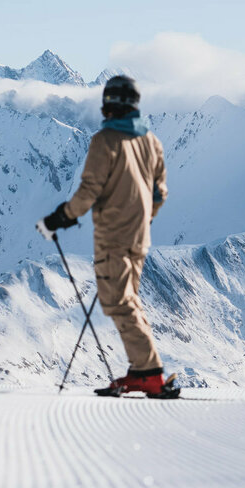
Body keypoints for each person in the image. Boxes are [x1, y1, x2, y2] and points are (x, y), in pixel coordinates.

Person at [40, 75, 175, 397]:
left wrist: (61, 217)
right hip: (139, 236)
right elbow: (159, 194)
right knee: (128, 300)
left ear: (109, 104)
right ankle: (142, 370)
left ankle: (150, 375)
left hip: (113, 236)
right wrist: (142, 219)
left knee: (118, 301)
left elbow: (89, 191)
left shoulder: (106, 140)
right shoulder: (151, 141)